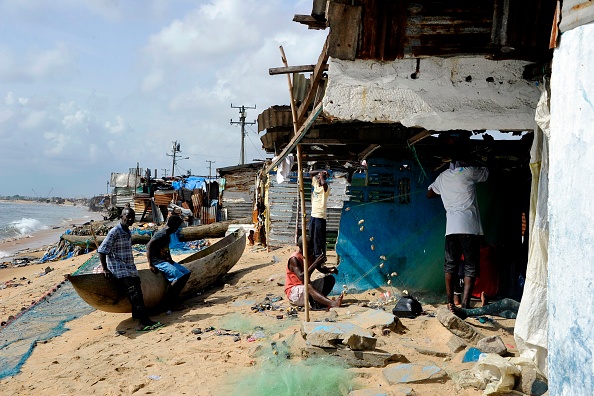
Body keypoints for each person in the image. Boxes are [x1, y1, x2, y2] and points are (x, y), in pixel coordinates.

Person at [427, 160, 489, 316]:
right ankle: (466, 304)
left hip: (451, 229)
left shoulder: (443, 177)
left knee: (450, 266)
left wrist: (444, 189)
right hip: (469, 227)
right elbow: (486, 174)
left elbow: (430, 193)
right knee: (470, 266)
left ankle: (450, 302)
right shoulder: (468, 172)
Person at [98, 208, 162, 331]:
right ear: (122, 216)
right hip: (119, 268)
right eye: (128, 217)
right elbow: (102, 250)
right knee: (135, 293)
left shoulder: (127, 231)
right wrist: (105, 269)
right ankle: (142, 322)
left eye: (132, 217)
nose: (131, 219)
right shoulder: (114, 231)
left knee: (138, 290)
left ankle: (138, 317)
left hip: (129, 267)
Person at [146, 215, 191, 312]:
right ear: (174, 227)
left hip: (165, 260)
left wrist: (170, 260)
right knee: (178, 277)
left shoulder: (167, 234)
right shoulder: (161, 234)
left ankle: (175, 296)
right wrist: (150, 264)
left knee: (186, 273)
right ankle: (168, 303)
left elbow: (166, 248)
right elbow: (149, 246)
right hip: (158, 262)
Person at [284, 235, 344, 309]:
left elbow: (320, 269)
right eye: (310, 247)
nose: (312, 250)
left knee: (330, 279)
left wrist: (329, 270)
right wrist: (315, 263)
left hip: (306, 288)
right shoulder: (294, 259)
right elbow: (302, 277)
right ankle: (332, 303)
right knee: (308, 286)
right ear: (304, 247)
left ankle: (318, 301)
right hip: (294, 292)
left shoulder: (309, 256)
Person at [309, 170, 330, 260]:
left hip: (320, 217)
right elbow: (310, 173)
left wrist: (322, 176)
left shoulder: (326, 188)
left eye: (320, 177)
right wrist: (320, 171)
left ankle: (319, 256)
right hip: (313, 215)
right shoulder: (316, 184)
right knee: (312, 236)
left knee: (319, 238)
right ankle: (314, 254)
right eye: (318, 177)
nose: (318, 178)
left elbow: (324, 184)